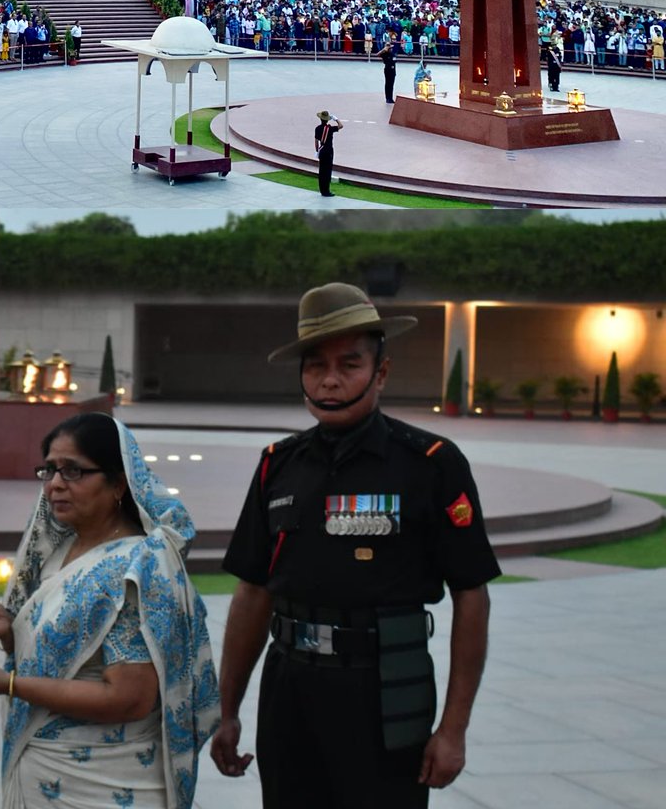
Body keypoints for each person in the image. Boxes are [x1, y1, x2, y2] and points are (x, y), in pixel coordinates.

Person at [211, 282, 500, 809]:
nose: (330, 380)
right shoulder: (279, 465)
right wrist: (227, 710)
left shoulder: (431, 464)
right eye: (316, 365)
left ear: (381, 372)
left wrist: (453, 729)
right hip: (290, 688)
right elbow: (252, 590)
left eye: (350, 365)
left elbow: (472, 595)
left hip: (385, 691)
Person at [0, 411, 220, 808]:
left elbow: (128, 698)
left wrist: (9, 685)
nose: (54, 485)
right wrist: (10, 628)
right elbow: (70, 645)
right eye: (48, 470)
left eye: (73, 471)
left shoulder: (139, 567)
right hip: (45, 772)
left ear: (119, 483)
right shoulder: (59, 552)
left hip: (106, 784)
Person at [314, 109, 342, 198]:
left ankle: (322, 189)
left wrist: (316, 151)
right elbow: (341, 126)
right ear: (327, 119)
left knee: (321, 171)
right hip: (328, 151)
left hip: (321, 150)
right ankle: (326, 191)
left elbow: (316, 141)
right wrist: (336, 119)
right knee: (327, 171)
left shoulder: (317, 128)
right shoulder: (329, 128)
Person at [380, 37, 397, 103]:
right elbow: (377, 54)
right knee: (388, 84)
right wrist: (384, 50)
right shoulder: (384, 54)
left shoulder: (393, 54)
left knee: (391, 85)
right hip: (388, 70)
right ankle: (387, 98)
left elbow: (395, 61)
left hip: (393, 71)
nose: (391, 49)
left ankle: (391, 98)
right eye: (390, 48)